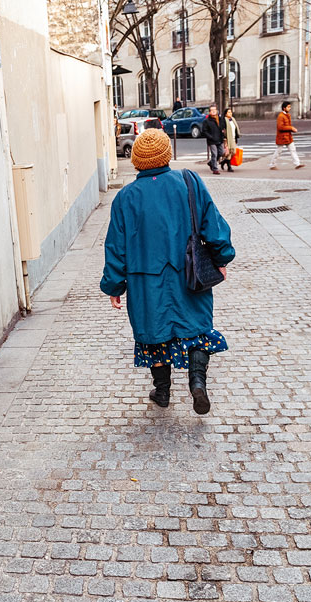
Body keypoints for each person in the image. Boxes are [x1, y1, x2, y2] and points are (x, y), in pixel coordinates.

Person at [100, 128, 236, 415]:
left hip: (145, 283)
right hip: (188, 275)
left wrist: (114, 286)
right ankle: (197, 382)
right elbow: (212, 224)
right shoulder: (189, 182)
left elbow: (116, 247)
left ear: (136, 160)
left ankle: (162, 392)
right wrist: (222, 258)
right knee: (197, 330)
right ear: (167, 155)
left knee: (154, 336)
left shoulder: (125, 198)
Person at [270, 101, 304, 170]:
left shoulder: (287, 115)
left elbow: (285, 126)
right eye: (288, 107)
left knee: (293, 150)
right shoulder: (281, 116)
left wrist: (291, 129)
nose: (290, 108)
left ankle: (297, 164)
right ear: (284, 108)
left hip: (287, 136)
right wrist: (291, 128)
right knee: (278, 151)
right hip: (282, 137)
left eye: (290, 107)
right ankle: (272, 164)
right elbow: (280, 127)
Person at [202, 104, 225, 175]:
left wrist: (223, 134)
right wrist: (210, 137)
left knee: (221, 152)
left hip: (219, 139)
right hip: (212, 140)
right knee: (214, 154)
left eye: (214, 110)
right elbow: (204, 131)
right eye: (212, 110)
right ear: (209, 112)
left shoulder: (220, 119)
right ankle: (215, 169)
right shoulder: (207, 121)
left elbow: (223, 127)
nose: (213, 112)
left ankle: (211, 163)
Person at [220, 107, 240, 172]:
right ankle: (229, 167)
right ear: (225, 114)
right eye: (228, 112)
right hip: (227, 139)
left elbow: (236, 129)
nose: (230, 113)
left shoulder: (233, 120)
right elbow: (223, 130)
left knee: (233, 152)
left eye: (231, 112)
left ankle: (224, 162)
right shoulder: (224, 120)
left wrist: (236, 137)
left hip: (233, 138)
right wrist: (224, 139)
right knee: (229, 153)